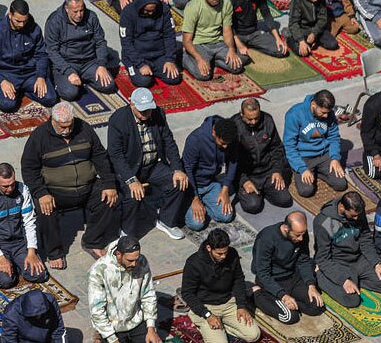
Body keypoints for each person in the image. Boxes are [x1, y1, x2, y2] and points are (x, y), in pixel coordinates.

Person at [21, 101, 120, 267]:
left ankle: (92, 241)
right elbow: (29, 169)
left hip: (87, 187)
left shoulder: (84, 129)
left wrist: (109, 183)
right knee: (44, 209)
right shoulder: (39, 137)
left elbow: (100, 156)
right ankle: (54, 252)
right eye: (62, 127)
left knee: (109, 198)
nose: (66, 130)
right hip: (56, 191)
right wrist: (41, 192)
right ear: (52, 120)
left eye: (69, 126)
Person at [107, 88, 188, 240]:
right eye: (142, 111)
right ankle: (127, 231)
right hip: (130, 167)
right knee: (133, 194)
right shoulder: (118, 120)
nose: (146, 115)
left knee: (178, 182)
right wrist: (131, 179)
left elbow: (169, 142)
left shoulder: (158, 114)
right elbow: (116, 155)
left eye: (148, 110)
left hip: (153, 165)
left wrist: (177, 168)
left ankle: (166, 220)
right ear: (132, 105)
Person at [315, 191, 381, 308]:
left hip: (358, 259)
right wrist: (343, 280)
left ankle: (356, 280)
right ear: (342, 207)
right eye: (353, 216)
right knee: (352, 301)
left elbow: (365, 240)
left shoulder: (358, 212)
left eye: (359, 215)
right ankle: (320, 276)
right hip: (339, 262)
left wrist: (376, 263)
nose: (357, 218)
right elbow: (323, 258)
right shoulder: (324, 222)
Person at [0, 163, 47, 289]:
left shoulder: (23, 190)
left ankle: (17, 261)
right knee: (6, 282)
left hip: (19, 242)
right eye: (5, 186)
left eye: (12, 184)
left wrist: (31, 251)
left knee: (39, 275)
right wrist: (0, 257)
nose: (10, 189)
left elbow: (29, 222)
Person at [181, 229, 260, 343]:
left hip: (228, 303)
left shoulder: (232, 254)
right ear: (209, 248)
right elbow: (187, 293)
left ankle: (224, 327)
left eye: (225, 252)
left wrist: (241, 305)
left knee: (254, 335)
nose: (223, 256)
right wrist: (207, 314)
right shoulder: (194, 263)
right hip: (206, 307)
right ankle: (204, 324)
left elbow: (238, 279)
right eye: (219, 253)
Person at [250, 212, 325, 324]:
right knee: (290, 316)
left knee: (317, 306)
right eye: (297, 235)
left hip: (292, 276)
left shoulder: (301, 236)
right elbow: (263, 273)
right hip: (272, 280)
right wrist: (283, 296)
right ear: (286, 228)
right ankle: (257, 294)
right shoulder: (267, 238)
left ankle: (289, 300)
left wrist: (311, 285)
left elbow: (303, 261)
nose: (301, 238)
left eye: (303, 234)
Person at [0, 0, 57, 112]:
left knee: (51, 99)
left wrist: (41, 76)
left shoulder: (34, 29)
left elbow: (41, 54)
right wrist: (1, 80)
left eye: (25, 21)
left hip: (30, 74)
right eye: (18, 21)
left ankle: (23, 90)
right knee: (7, 105)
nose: (22, 25)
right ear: (10, 15)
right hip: (7, 74)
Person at [45, 0, 119, 99]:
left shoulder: (91, 17)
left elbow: (100, 42)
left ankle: (83, 77)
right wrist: (68, 72)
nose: (79, 15)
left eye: (81, 10)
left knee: (109, 86)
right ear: (67, 9)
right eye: (75, 11)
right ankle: (62, 79)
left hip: (89, 62)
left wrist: (101, 64)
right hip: (67, 62)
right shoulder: (54, 21)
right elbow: (52, 50)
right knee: (70, 93)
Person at [87, 236, 160, 343]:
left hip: (135, 321)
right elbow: (97, 310)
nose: (134, 264)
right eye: (130, 260)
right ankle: (99, 336)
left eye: (136, 259)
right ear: (119, 254)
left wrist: (151, 328)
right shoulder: (99, 270)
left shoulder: (141, 261)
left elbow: (148, 294)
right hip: (112, 327)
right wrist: (112, 339)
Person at [233, 98, 292, 215]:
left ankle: (265, 191)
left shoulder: (268, 120)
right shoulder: (234, 126)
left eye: (256, 118)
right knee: (253, 206)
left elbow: (276, 148)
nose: (254, 122)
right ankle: (246, 191)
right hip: (247, 174)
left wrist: (276, 170)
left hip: (267, 172)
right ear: (242, 114)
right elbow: (232, 160)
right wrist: (243, 181)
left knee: (285, 200)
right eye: (250, 119)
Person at [284, 90, 347, 197]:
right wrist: (302, 168)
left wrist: (335, 158)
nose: (326, 116)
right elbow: (289, 146)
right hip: (304, 157)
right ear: (313, 104)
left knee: (340, 184)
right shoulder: (294, 114)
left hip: (324, 155)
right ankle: (302, 171)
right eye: (323, 112)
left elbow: (334, 137)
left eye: (328, 112)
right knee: (306, 191)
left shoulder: (329, 114)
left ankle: (319, 172)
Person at [119, 0, 182, 88]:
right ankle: (132, 67)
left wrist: (170, 60)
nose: (150, 13)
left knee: (174, 78)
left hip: (158, 55)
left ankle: (156, 68)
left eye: (153, 10)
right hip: (137, 55)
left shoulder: (164, 9)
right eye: (147, 11)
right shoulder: (128, 13)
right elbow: (126, 42)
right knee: (144, 82)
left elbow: (169, 35)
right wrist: (140, 64)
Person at [183, 117, 239, 231]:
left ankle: (205, 205)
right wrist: (195, 198)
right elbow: (187, 169)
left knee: (226, 216)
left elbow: (233, 162)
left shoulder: (230, 137)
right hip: (191, 187)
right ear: (214, 133)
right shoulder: (195, 139)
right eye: (222, 143)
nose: (225, 147)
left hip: (210, 183)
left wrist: (225, 189)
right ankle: (185, 207)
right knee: (197, 224)